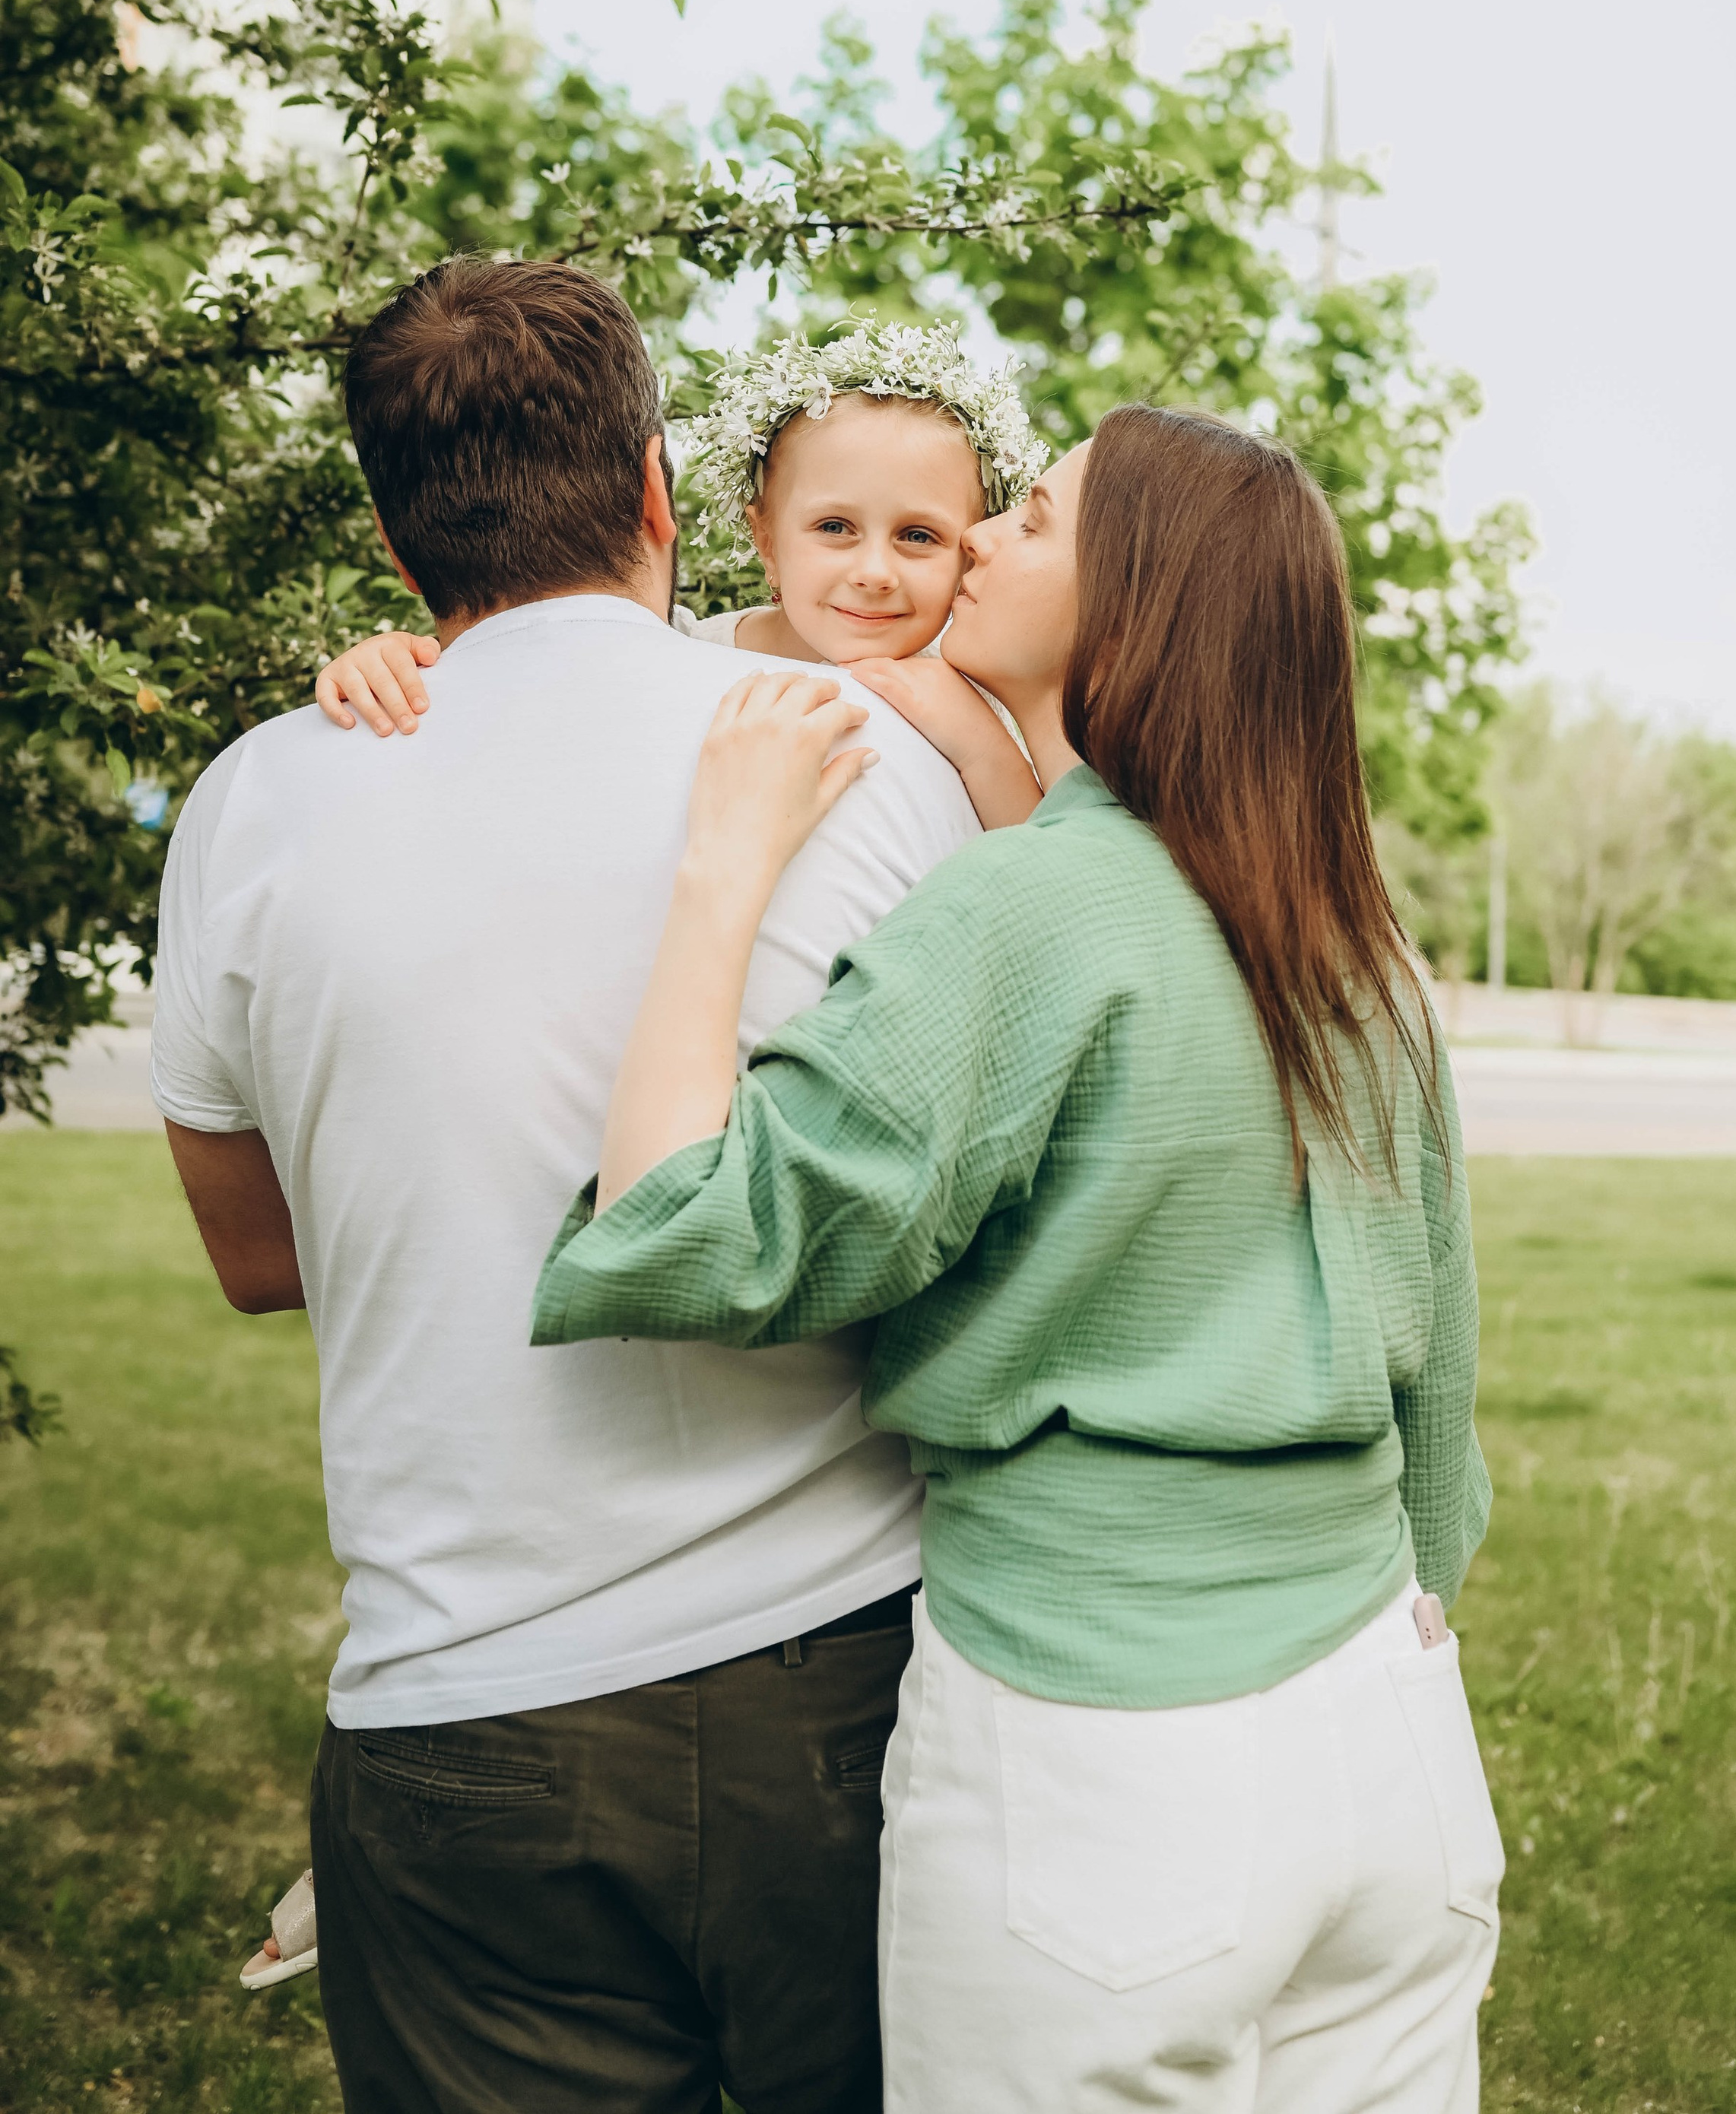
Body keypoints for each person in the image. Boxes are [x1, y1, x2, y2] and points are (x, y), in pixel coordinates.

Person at [532, 404, 1504, 2114]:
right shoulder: (1350, 938)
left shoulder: (1026, 919)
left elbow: (684, 1227)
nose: (972, 538)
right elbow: (1444, 1402)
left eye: (1031, 520)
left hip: (1105, 1769)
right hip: (1393, 1745)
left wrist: (724, 865)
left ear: (1131, 603)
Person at [149, 257, 989, 2114]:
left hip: (460, 1700)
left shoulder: (256, 803)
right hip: (835, 1684)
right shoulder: (872, 764)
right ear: (665, 488)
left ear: (389, 530)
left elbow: (254, 1249)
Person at [319, 316, 1047, 829]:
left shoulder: (975, 687)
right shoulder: (687, 646)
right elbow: (541, 690)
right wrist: (402, 661)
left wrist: (980, 744)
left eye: (918, 536)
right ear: (764, 535)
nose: (875, 570)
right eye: (834, 528)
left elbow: (1047, 865)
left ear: (970, 549)